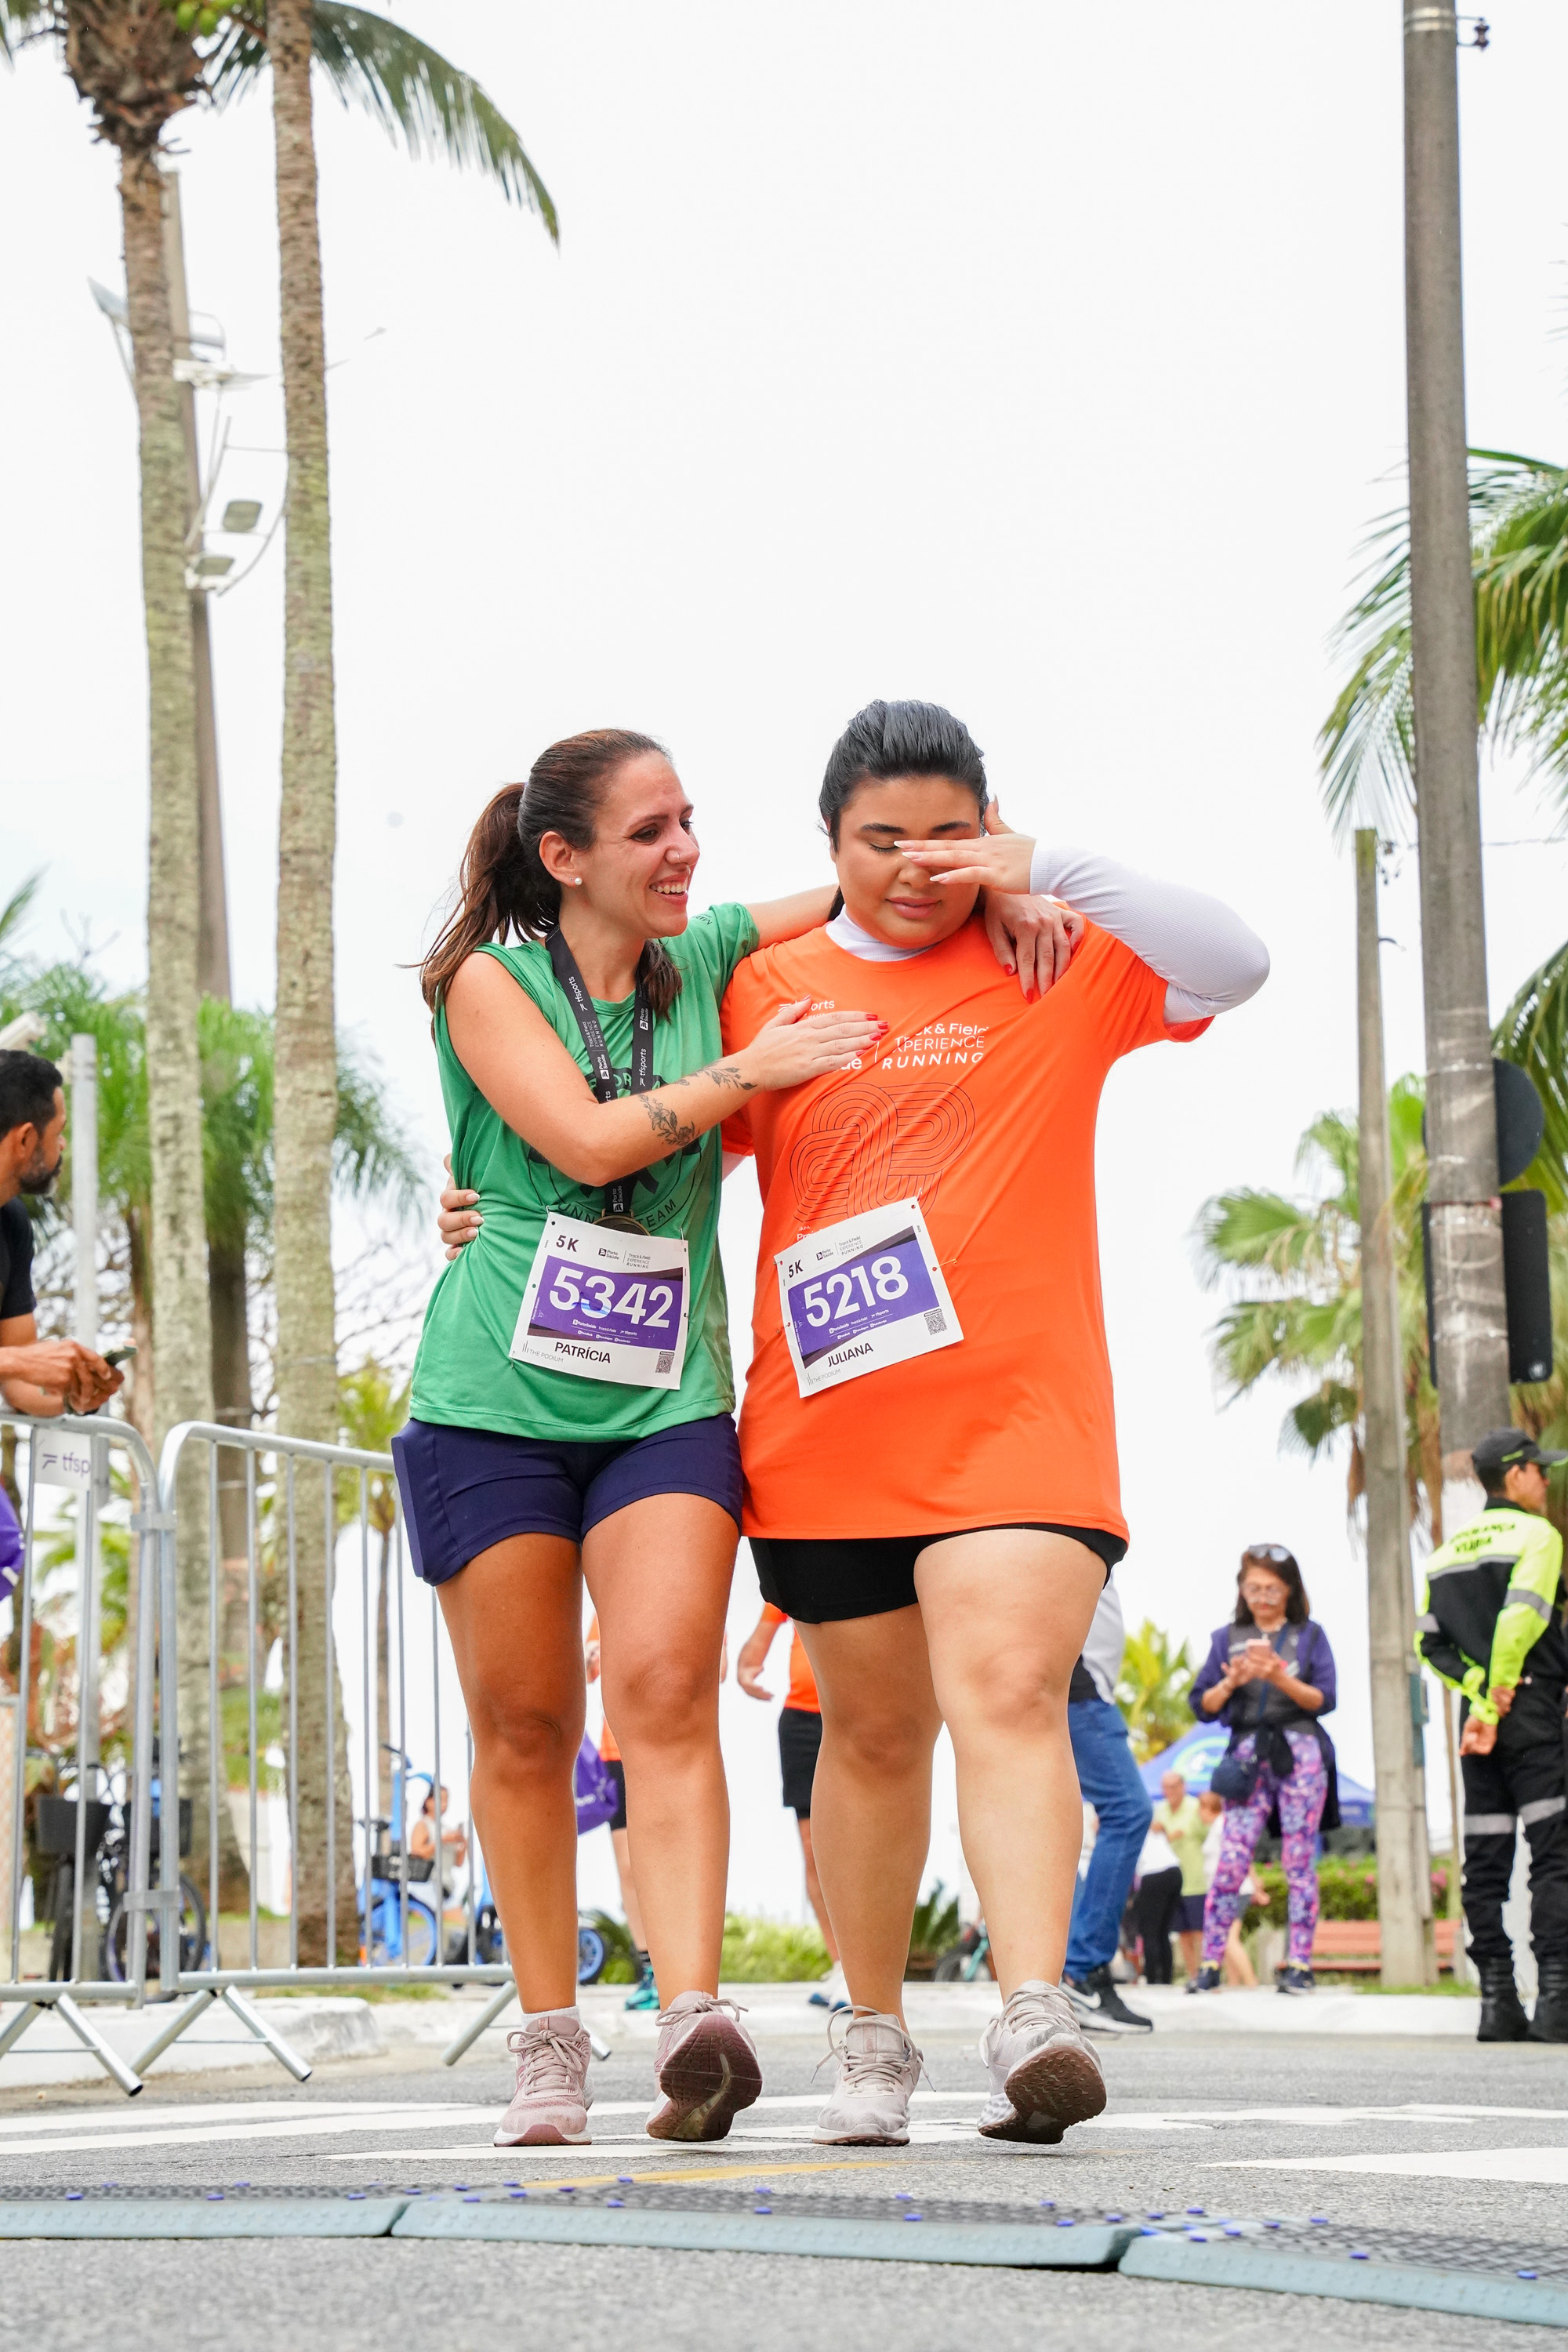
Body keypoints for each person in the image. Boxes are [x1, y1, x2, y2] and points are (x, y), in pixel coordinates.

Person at [405, 727, 1064, 2149]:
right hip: (493, 1403)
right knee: (526, 1725)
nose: (685, 850)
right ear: (565, 856)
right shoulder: (487, 980)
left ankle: (693, 2016)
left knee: (665, 1684)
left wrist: (1002, 885)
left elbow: (864, 890)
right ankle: (547, 2039)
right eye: (649, 831)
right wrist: (753, 1071)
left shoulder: (701, 957)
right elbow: (584, 1143)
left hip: (667, 1401)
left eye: (690, 820)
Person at [717, 700, 1268, 2143]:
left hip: (1022, 1423)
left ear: (991, 821)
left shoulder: (1052, 956)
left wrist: (1048, 867)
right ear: (829, 846)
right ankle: (874, 2037)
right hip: (827, 1431)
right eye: (878, 839)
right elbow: (644, 1130)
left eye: (947, 831)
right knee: (877, 1740)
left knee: (1009, 1690)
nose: (915, 864)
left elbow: (1237, 961)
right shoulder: (759, 981)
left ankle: (1034, 2013)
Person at [1416, 1428, 1568, 2043]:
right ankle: (1557, 2000)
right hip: (1528, 1706)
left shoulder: (1447, 1551)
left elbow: (1429, 1643)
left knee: (1485, 1861)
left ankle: (1496, 2003)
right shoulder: (1539, 1535)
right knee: (1553, 1855)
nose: (1547, 1479)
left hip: (1476, 1720)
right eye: (1539, 1469)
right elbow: (1523, 1615)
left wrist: (1479, 1693)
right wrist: (1504, 1686)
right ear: (1515, 1475)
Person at [1189, 1544, 1338, 1996]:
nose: (1263, 1597)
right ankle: (1210, 1963)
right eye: (1254, 1588)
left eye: (1273, 1588)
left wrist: (1277, 1675)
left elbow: (1325, 1700)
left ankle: (1299, 1964)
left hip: (1300, 1750)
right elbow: (1202, 1707)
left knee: (1299, 1860)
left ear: (1290, 1589)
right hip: (1247, 1754)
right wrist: (1232, 1680)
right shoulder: (1225, 1638)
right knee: (1231, 1858)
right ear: (1241, 1589)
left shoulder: (1309, 1635)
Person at [735, 1601, 848, 2012]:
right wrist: (748, 1670)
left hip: (855, 1713)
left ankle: (863, 1965)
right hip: (802, 1720)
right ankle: (842, 1965)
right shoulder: (792, 1576)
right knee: (813, 1849)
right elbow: (754, 1652)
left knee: (858, 1843)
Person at [0, 1051, 122, 1421]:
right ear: (25, 1140)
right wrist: (19, 1360)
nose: (63, 1145)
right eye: (59, 1130)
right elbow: (16, 1361)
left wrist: (73, 1395)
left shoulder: (13, 1224)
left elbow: (18, 1384)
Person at [1062, 1584, 1152, 2031]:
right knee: (1128, 1810)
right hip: (1081, 1689)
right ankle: (1083, 1971)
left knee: (1060, 1826)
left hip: (1080, 1688)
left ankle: (1070, 1971)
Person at [584, 1613, 657, 2009]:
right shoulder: (604, 1607)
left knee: (667, 1858)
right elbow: (586, 1671)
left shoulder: (686, 1583)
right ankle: (650, 1970)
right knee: (628, 1866)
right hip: (615, 1750)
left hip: (663, 1747)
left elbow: (716, 1669)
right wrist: (591, 1656)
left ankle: (684, 1970)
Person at [1152, 1769, 1207, 1980]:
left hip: (1196, 1880)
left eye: (1173, 1786)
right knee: (1182, 1934)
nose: (1169, 1791)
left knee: (1199, 1932)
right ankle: (1193, 1978)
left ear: (1183, 1786)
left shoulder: (1196, 1807)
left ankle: (1206, 1976)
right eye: (1165, 1787)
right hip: (1170, 1883)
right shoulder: (1160, 1809)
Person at [1131, 1815, 1182, 1984]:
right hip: (1175, 1872)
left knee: (1150, 1931)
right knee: (1163, 1931)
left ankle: (1153, 1979)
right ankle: (1166, 1978)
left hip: (1154, 1874)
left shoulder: (1130, 1828)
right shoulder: (1151, 1826)